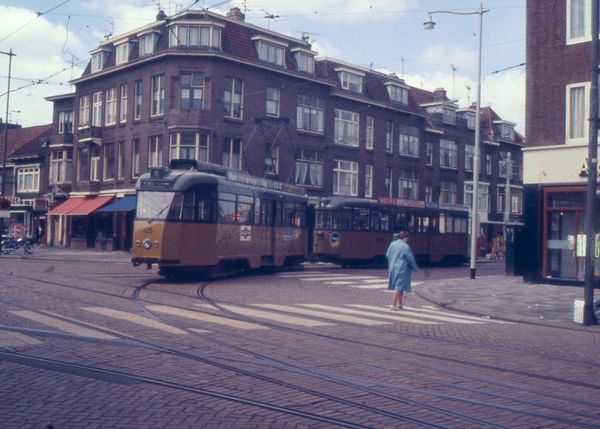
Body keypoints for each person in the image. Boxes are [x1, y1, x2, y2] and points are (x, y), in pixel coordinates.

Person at [386, 231, 418, 310]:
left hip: (393, 267)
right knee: (399, 286)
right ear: (405, 238)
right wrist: (415, 267)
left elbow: (387, 254)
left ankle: (400, 304)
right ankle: (393, 305)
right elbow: (410, 258)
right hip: (402, 268)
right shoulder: (405, 246)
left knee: (400, 286)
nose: (407, 240)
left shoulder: (392, 244)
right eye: (407, 238)